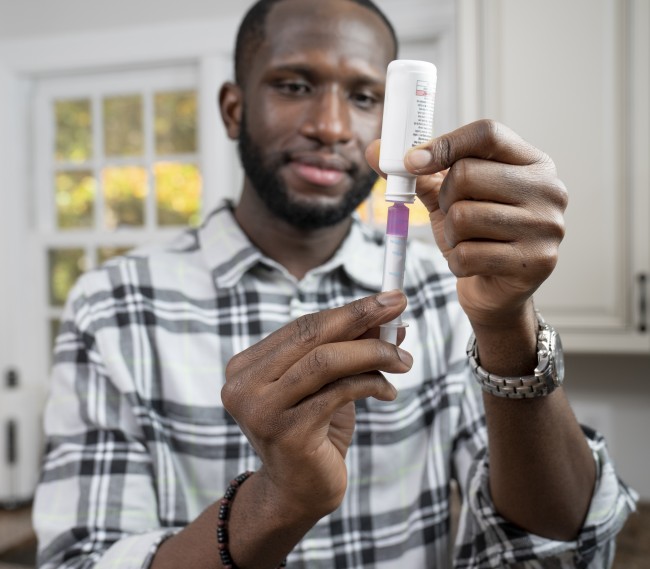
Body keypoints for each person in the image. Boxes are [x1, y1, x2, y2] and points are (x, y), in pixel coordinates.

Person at [33, 0, 637, 567]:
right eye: (294, 85)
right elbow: (81, 558)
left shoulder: (445, 287)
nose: (331, 125)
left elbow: (553, 549)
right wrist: (277, 502)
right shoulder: (113, 305)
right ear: (233, 109)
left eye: (366, 96)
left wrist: (508, 324)